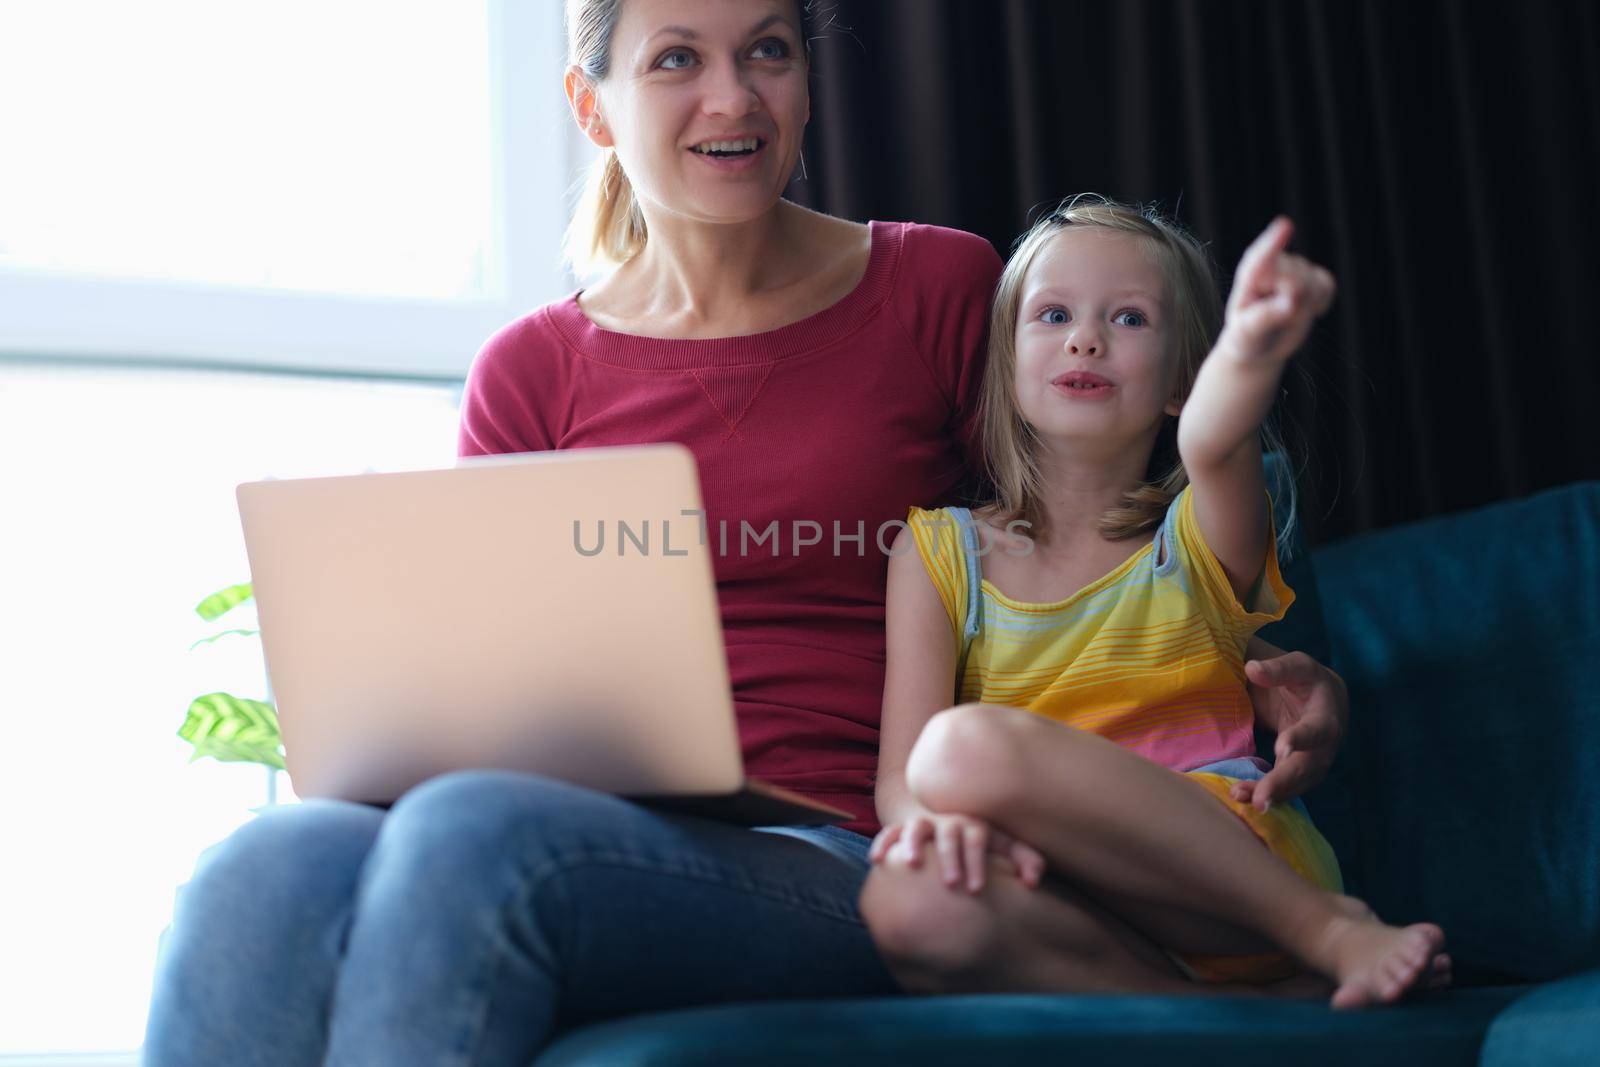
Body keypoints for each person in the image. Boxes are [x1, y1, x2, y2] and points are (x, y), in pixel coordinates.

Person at [142, 4, 1359, 1064]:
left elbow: (1097, 519)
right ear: (593, 104)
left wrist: (1270, 671)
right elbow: (486, 697)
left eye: (767, 49)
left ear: (808, 79)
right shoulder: (531, 371)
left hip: (842, 844)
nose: (733, 96)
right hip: (603, 819)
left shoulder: (933, 290)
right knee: (259, 868)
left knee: (473, 836)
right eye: (676, 58)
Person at [860, 197, 1452, 1010]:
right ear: (1006, 361)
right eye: (1055, 313)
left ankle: (1330, 930)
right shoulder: (935, 553)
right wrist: (931, 821)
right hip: (1073, 898)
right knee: (904, 898)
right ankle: (1247, 1011)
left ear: (1182, 379)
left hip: (1236, 877)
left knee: (959, 749)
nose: (1086, 338)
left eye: (1130, 318)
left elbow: (1214, 441)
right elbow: (900, 777)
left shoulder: (1198, 538)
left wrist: (1246, 348)